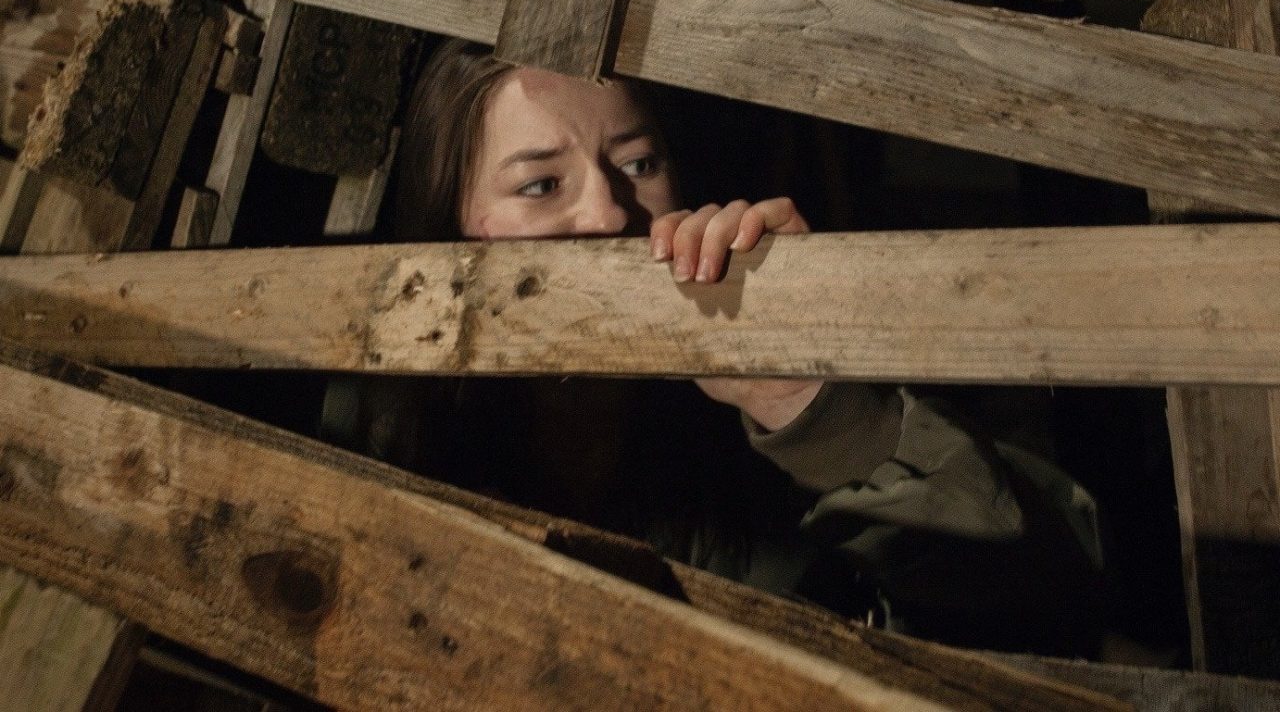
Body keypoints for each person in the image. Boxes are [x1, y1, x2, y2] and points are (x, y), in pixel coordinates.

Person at [385, 37, 1107, 655]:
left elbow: (1051, 596)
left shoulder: (737, 445)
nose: (608, 214)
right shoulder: (375, 431)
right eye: (541, 184)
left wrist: (804, 405)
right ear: (450, 221)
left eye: (638, 166)